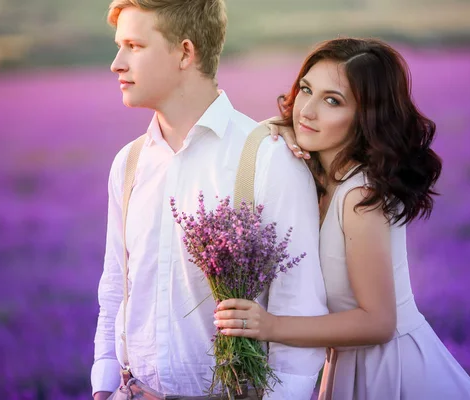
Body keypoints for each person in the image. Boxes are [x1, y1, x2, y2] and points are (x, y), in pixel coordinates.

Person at [214, 38, 470, 399]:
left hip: (395, 372)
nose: (306, 111)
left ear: (366, 117)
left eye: (332, 101)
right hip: (349, 365)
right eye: (306, 90)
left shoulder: (360, 196)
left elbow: (379, 323)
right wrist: (270, 130)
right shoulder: (314, 175)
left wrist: (270, 326)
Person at [91, 1, 328, 399]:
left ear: (185, 52)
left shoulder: (268, 160)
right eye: (120, 45)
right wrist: (103, 386)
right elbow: (116, 285)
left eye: (134, 45)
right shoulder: (128, 163)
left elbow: (298, 308)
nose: (117, 62)